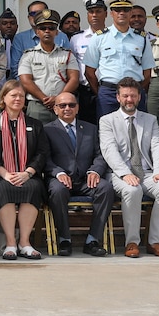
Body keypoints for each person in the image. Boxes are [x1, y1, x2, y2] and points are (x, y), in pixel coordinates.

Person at [98, 77, 159, 258]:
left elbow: (157, 145)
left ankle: (154, 241)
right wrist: (125, 174)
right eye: (125, 96)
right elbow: (109, 150)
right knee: (133, 190)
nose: (129, 100)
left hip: (146, 172)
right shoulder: (107, 120)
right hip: (118, 173)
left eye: (133, 96)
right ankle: (132, 242)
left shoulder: (150, 119)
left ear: (139, 97)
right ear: (118, 97)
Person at [44, 90, 114, 257]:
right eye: (62, 105)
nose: (67, 108)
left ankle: (93, 240)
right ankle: (64, 239)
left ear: (77, 108)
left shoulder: (90, 128)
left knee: (105, 188)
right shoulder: (46, 130)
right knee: (57, 191)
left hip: (85, 180)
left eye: (71, 105)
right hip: (59, 179)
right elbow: (44, 158)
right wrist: (58, 173)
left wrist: (95, 171)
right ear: (55, 109)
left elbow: (100, 154)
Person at [0, 80, 49, 260]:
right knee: (3, 189)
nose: (18, 99)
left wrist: (28, 173)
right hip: (0, 176)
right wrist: (5, 174)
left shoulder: (36, 125)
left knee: (34, 188)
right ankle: (11, 242)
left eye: (21, 95)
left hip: (28, 175)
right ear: (3, 98)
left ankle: (25, 243)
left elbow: (42, 153)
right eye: (13, 95)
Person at [82, 0, 154, 118]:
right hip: (109, 93)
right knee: (108, 131)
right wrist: (100, 92)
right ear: (111, 13)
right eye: (117, 10)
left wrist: (137, 90)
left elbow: (147, 72)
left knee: (137, 130)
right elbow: (89, 72)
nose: (122, 13)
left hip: (134, 92)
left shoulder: (141, 38)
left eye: (126, 10)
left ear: (131, 12)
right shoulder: (99, 37)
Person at [16, 8, 81, 125]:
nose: (47, 31)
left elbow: (74, 79)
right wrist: (43, 98)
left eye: (51, 28)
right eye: (42, 28)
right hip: (37, 106)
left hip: (63, 106)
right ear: (37, 32)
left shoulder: (67, 54)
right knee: (36, 140)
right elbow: (25, 81)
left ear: (56, 32)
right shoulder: (28, 55)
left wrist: (58, 99)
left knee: (63, 140)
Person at [68, 0, 109, 124]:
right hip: (85, 92)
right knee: (87, 128)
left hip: (108, 89)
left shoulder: (113, 36)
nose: (94, 15)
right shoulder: (77, 39)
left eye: (98, 11)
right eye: (91, 12)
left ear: (106, 14)